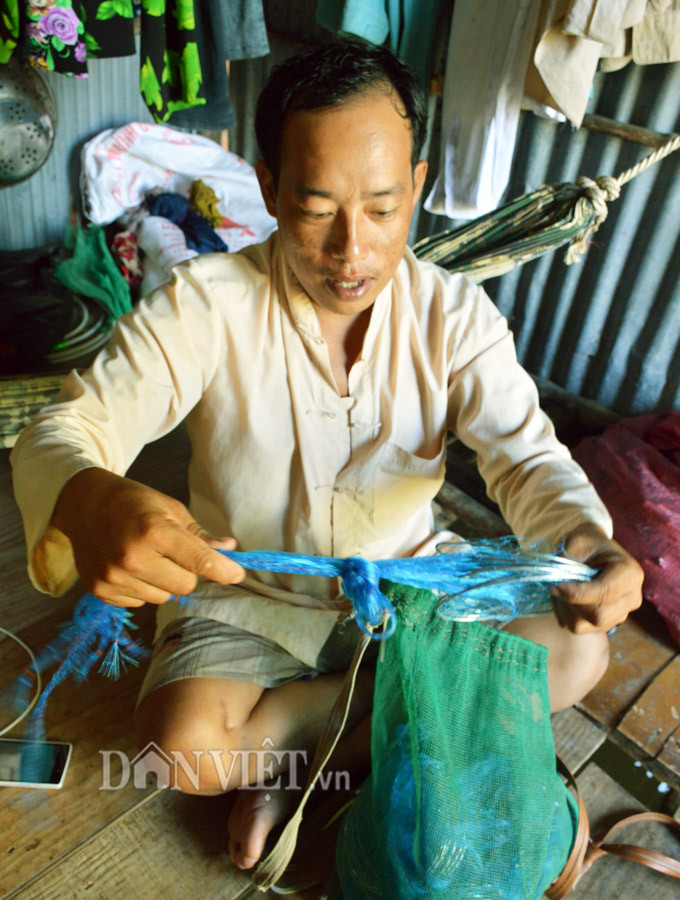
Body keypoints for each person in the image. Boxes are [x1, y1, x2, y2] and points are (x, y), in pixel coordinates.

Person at [11, 39, 643, 872]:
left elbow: (526, 458)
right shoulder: (206, 305)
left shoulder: (456, 318)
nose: (353, 250)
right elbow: (67, 429)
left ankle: (304, 759)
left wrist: (585, 540)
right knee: (181, 750)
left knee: (577, 650)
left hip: (410, 585)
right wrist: (87, 495)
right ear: (268, 187)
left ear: (418, 185)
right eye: (316, 208)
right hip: (252, 601)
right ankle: (372, 739)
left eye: (383, 208)